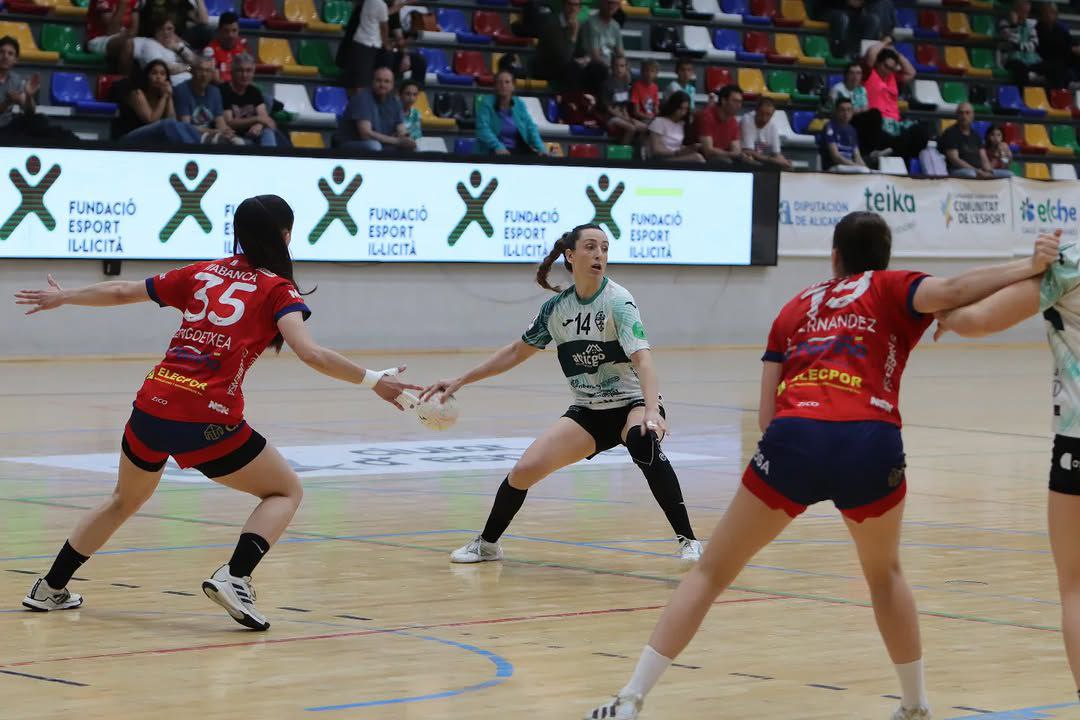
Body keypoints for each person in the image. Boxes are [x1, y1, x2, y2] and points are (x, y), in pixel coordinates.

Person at [583, 211, 1061, 720]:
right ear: (884, 259)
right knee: (885, 575)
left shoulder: (795, 306)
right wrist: (1029, 265)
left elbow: (766, 415)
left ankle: (630, 699)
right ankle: (916, 705)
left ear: (834, 257)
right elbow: (960, 287)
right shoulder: (892, 286)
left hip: (795, 438)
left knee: (711, 572)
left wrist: (787, 462)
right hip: (870, 439)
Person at [15, 195, 421, 630]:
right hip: (207, 417)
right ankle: (235, 576)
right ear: (286, 236)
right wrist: (374, 381)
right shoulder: (276, 290)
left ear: (238, 234)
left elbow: (121, 290)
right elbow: (311, 353)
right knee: (285, 492)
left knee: (124, 500)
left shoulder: (201, 271)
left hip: (151, 405)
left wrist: (66, 297)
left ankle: (50, 587)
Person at [421, 224, 702, 565]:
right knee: (524, 471)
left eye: (604, 248)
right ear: (570, 256)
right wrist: (461, 379)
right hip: (589, 411)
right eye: (590, 247)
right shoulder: (556, 310)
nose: (599, 254)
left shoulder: (619, 301)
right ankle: (488, 545)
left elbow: (643, 360)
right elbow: (515, 352)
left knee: (643, 440)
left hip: (633, 403)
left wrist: (652, 412)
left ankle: (689, 541)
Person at [933, 229, 1080, 709]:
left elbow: (982, 320)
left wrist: (949, 317)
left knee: (1075, 586)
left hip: (1077, 444)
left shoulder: (1070, 262)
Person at [858, 42, 928, 164]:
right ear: (878, 63)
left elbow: (911, 72)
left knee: (919, 132)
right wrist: (885, 43)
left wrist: (896, 54)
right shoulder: (869, 74)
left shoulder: (893, 78)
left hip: (894, 123)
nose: (888, 71)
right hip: (877, 122)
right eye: (886, 66)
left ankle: (897, 158)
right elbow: (870, 55)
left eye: (892, 68)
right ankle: (880, 154)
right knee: (874, 119)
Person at [0, 36, 76, 142]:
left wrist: (29, 96)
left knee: (39, 119)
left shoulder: (15, 79)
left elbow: (29, 111)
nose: (5, 56)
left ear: (15, 60)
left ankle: (71, 143)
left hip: (7, 126)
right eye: (2, 52)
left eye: (10, 54)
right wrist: (8, 101)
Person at [115, 58, 203, 145]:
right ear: (147, 76)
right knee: (167, 125)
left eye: (162, 74)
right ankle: (188, 149)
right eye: (154, 73)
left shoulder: (162, 95)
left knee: (186, 126)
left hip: (151, 138)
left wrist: (169, 97)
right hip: (128, 138)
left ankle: (198, 150)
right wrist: (164, 97)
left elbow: (172, 119)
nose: (158, 77)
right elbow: (151, 120)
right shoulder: (137, 93)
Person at [335, 65, 416, 152]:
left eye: (386, 81)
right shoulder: (362, 98)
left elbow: (400, 127)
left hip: (382, 142)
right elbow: (366, 134)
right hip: (352, 143)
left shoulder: (395, 101)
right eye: (379, 80)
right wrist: (397, 141)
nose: (382, 85)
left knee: (413, 148)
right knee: (374, 146)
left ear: (392, 85)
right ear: (372, 82)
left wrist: (407, 138)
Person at [339, 0, 412, 91]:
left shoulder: (386, 7)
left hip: (373, 47)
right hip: (363, 46)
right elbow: (384, 29)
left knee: (406, 59)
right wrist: (388, 45)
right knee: (387, 56)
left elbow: (398, 34)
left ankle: (394, 93)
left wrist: (405, 54)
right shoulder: (375, 3)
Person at [475, 69, 547, 156]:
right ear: (495, 86)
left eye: (507, 82)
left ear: (513, 86)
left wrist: (541, 147)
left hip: (518, 149)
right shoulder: (486, 102)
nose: (503, 85)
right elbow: (483, 129)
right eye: (500, 82)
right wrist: (498, 147)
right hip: (493, 150)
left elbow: (530, 127)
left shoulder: (519, 104)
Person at [221, 54, 287, 148]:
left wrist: (259, 125)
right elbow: (230, 122)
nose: (244, 75)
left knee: (269, 130)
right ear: (232, 72)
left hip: (254, 135)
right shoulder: (224, 91)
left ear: (253, 73)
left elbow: (264, 117)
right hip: (234, 136)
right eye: (240, 71)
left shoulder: (254, 91)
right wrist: (257, 119)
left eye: (248, 71)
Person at [175, 56, 242, 144]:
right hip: (189, 136)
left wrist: (226, 131)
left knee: (238, 141)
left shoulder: (215, 92)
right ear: (193, 71)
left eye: (208, 71)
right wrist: (214, 132)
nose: (204, 74)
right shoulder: (182, 89)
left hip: (209, 135)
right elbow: (186, 126)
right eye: (200, 70)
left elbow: (220, 121)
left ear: (212, 74)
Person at [939, 103, 1011, 178]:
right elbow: (954, 159)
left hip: (978, 170)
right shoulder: (951, 133)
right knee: (971, 174)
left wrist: (989, 171)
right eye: (961, 113)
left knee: (1008, 174)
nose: (964, 116)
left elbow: (984, 158)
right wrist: (976, 171)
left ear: (972, 115)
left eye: (967, 113)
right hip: (959, 170)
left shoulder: (976, 135)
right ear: (957, 115)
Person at [133, 17, 199, 86]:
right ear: (156, 31)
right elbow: (164, 68)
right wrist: (189, 68)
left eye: (169, 29)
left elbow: (195, 61)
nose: (166, 32)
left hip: (192, 83)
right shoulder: (150, 45)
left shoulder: (177, 44)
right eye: (161, 29)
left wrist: (178, 49)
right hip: (171, 86)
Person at [601, 54, 648, 145]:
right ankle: (622, 155)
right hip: (610, 118)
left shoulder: (625, 85)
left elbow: (624, 107)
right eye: (616, 66)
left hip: (622, 116)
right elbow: (609, 109)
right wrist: (624, 119)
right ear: (611, 67)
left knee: (645, 128)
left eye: (622, 66)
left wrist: (627, 118)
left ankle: (638, 153)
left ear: (626, 68)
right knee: (631, 128)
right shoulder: (607, 85)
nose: (619, 69)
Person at [86, 0, 140, 74]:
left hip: (124, 37)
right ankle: (123, 83)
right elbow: (111, 31)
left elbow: (134, 30)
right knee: (128, 44)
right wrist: (123, 4)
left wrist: (127, 34)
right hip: (98, 39)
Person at [647, 91, 703, 162]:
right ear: (673, 106)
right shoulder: (659, 122)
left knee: (697, 155)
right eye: (680, 109)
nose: (683, 113)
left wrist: (689, 149)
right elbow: (656, 149)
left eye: (685, 109)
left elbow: (676, 145)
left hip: (676, 156)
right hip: (662, 159)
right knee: (697, 158)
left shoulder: (682, 124)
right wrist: (676, 153)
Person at [999, 0, 1045, 86]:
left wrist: (1019, 46)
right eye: (1022, 12)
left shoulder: (1030, 25)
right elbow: (1013, 42)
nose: (1025, 16)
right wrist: (1014, 25)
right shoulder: (1004, 23)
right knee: (1021, 68)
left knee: (1051, 68)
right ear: (1015, 12)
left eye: (1027, 13)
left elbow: (1034, 44)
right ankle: (1023, 95)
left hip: (1030, 59)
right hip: (1011, 59)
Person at [695, 84, 744, 164]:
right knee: (726, 162)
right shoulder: (706, 117)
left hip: (723, 157)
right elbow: (708, 151)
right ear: (723, 101)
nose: (739, 105)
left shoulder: (733, 121)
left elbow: (736, 149)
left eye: (740, 102)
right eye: (735, 101)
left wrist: (736, 155)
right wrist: (732, 154)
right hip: (702, 161)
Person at [1035, 1, 1079, 89]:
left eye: (1051, 12)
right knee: (1058, 67)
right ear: (1042, 14)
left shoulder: (1060, 29)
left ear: (1056, 14)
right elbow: (1047, 46)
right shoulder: (1037, 28)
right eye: (1046, 12)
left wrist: (1077, 47)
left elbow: (1070, 41)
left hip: (1063, 58)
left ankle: (1073, 81)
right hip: (1045, 59)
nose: (1048, 15)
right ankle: (1063, 90)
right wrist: (1070, 48)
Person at [739, 97, 792, 169]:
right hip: (743, 158)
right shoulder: (747, 120)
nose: (764, 119)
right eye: (761, 114)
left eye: (768, 115)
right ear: (756, 111)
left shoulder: (773, 126)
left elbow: (776, 153)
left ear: (773, 114)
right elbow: (748, 151)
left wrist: (784, 161)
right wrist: (773, 160)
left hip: (762, 159)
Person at [820, 97, 869, 172]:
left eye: (849, 110)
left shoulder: (852, 130)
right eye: (842, 110)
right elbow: (835, 157)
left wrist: (866, 168)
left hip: (850, 167)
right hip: (834, 167)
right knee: (862, 171)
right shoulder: (830, 127)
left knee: (874, 173)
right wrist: (855, 166)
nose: (846, 113)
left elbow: (857, 156)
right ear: (836, 111)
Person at [140, 0, 210, 49]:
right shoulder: (159, 3)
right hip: (158, 37)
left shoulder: (183, 4)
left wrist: (199, 1)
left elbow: (203, 21)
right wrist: (175, 38)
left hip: (179, 38)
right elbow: (157, 26)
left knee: (205, 31)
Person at [578, 0, 624, 67]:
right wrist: (610, 70)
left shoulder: (615, 25)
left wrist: (625, 68)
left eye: (615, 3)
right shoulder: (591, 23)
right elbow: (595, 56)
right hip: (592, 67)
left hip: (609, 68)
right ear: (602, 2)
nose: (612, 6)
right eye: (609, 2)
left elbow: (620, 53)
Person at [206, 12, 248, 85]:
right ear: (219, 31)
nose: (230, 35)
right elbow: (216, 80)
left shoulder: (243, 46)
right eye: (226, 31)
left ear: (238, 31)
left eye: (234, 30)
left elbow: (247, 74)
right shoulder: (210, 50)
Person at [630, 59, 659, 124]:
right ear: (642, 72)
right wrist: (650, 117)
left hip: (652, 118)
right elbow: (636, 112)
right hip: (641, 118)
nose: (649, 74)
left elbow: (656, 108)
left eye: (652, 71)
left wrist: (658, 117)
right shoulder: (637, 86)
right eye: (646, 70)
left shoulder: (655, 87)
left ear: (656, 74)